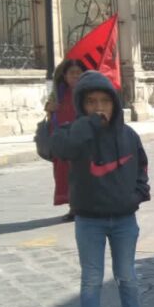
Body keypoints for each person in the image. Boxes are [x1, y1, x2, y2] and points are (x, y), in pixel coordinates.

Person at [47, 71, 149, 307]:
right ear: (82, 104)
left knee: (127, 276)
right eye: (91, 102)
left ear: (115, 103)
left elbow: (142, 169)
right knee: (91, 279)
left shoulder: (128, 136)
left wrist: (136, 196)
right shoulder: (74, 134)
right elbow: (57, 149)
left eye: (105, 101)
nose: (99, 107)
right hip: (89, 220)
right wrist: (87, 125)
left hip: (124, 220)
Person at [45, 58, 85, 220]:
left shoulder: (88, 92)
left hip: (82, 140)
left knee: (81, 174)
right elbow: (49, 108)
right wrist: (50, 107)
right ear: (65, 76)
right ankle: (73, 207)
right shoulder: (59, 92)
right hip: (61, 140)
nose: (75, 76)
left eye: (78, 73)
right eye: (71, 73)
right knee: (64, 174)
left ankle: (82, 206)